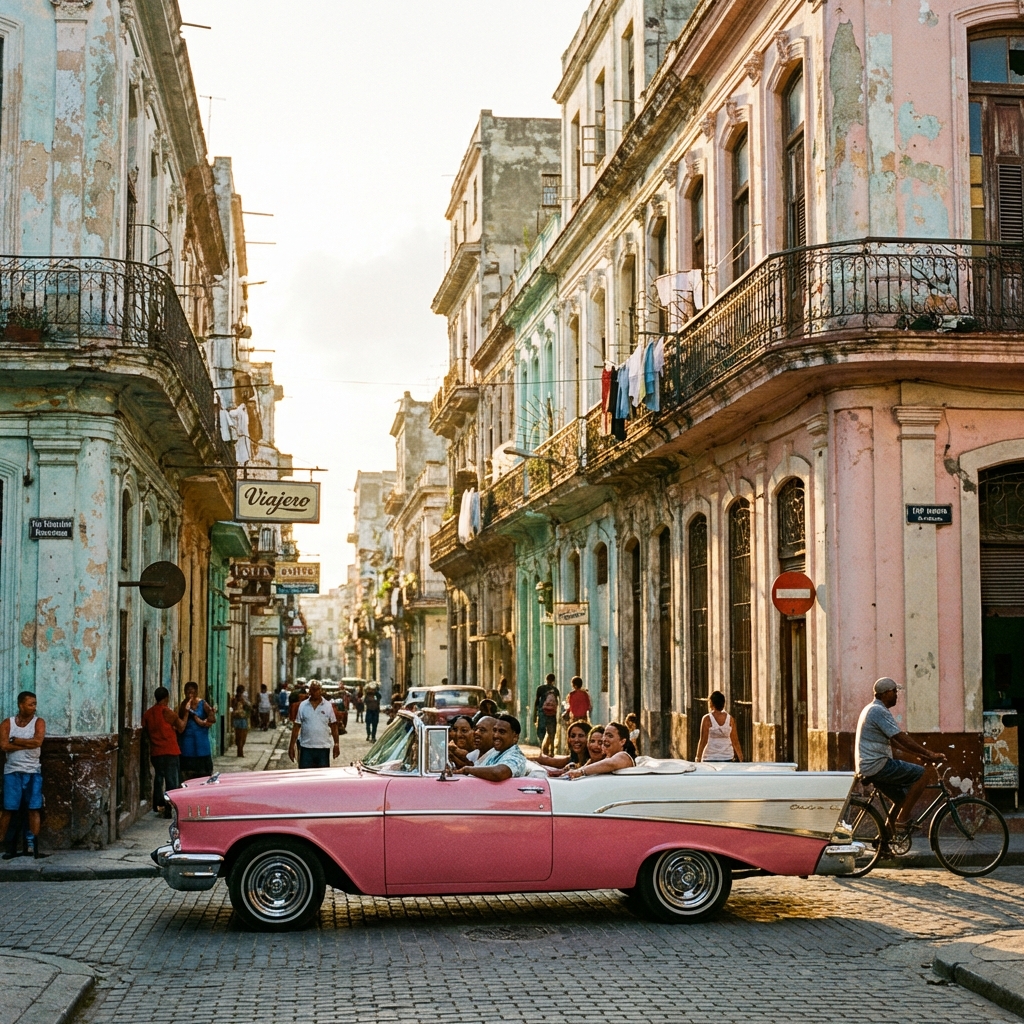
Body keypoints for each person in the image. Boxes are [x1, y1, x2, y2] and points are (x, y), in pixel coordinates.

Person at [856, 677, 946, 831]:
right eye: (894, 692)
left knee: (900, 798)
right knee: (923, 774)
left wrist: (919, 755)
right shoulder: (878, 710)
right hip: (878, 765)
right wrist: (928, 753)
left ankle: (886, 841)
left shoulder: (872, 709)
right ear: (884, 693)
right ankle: (903, 820)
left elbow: (893, 742)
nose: (896, 695)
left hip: (869, 766)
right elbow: (900, 737)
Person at [0, 691, 47, 859]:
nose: (34, 707)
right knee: (8, 809)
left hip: (33, 771)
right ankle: (6, 845)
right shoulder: (8, 723)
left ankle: (32, 846)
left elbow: (37, 742)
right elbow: (4, 745)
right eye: (30, 704)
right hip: (12, 772)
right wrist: (26, 744)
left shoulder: (38, 722)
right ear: (21, 705)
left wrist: (16, 741)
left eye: (35, 704)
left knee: (34, 809)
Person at [142, 687, 185, 817]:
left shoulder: (148, 713)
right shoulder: (167, 712)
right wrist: (187, 713)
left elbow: (145, 730)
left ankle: (157, 805)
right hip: (170, 751)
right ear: (166, 698)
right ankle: (168, 808)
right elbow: (181, 727)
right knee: (171, 781)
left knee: (159, 778)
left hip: (156, 751)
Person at [456, 715, 527, 780]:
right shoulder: (496, 752)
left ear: (515, 737)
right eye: (495, 730)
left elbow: (499, 773)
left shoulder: (516, 756)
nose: (495, 735)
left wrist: (467, 770)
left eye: (502, 732)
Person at [289, 681, 340, 769]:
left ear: (321, 691)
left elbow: (334, 726)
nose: (315, 692)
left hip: (323, 748)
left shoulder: (328, 706)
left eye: (317, 690)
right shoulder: (303, 705)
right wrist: (291, 746)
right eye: (312, 690)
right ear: (309, 691)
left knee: (321, 779)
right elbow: (296, 726)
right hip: (306, 748)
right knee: (305, 777)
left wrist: (336, 744)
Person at [566, 722, 635, 779]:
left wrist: (581, 772)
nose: (604, 739)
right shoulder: (606, 759)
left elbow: (610, 764)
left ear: (622, 741)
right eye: (604, 735)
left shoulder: (624, 756)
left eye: (610, 736)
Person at [178, 682, 217, 780]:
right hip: (187, 742)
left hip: (201, 742)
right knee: (187, 772)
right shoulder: (183, 705)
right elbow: (180, 720)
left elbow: (212, 718)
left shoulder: (202, 703)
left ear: (196, 692)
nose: (190, 693)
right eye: (188, 691)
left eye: (192, 691)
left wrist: (205, 722)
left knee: (203, 773)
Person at [695, 691, 744, 763]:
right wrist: (741, 758)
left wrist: (698, 758)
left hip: (710, 757)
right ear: (723, 704)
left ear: (711, 703)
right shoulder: (730, 719)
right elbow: (735, 741)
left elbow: (703, 740)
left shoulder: (707, 719)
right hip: (727, 757)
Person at [535, 675, 559, 757]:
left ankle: (541, 749)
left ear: (546, 679)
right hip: (552, 713)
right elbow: (557, 703)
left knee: (541, 731)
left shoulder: (540, 688)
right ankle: (551, 749)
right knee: (551, 731)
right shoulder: (555, 690)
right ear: (554, 680)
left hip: (542, 712)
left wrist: (535, 714)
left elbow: (537, 701)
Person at [230, 685, 251, 757]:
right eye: (240, 692)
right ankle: (240, 752)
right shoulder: (234, 699)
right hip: (238, 719)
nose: (241, 694)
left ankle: (240, 750)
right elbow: (232, 708)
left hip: (242, 719)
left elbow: (248, 707)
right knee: (240, 736)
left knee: (242, 737)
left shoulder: (244, 699)